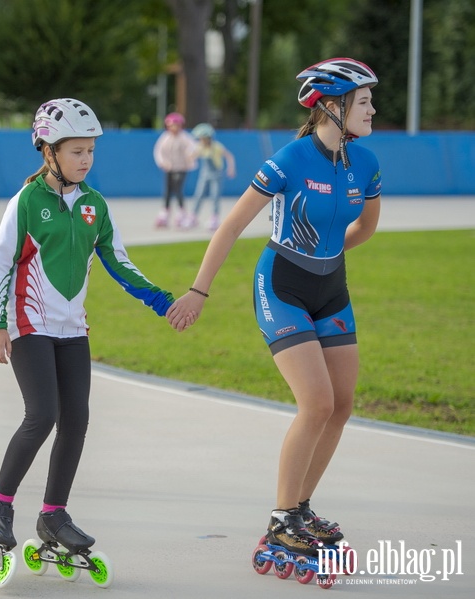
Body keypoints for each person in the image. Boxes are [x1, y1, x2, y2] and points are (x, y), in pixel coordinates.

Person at [167, 58, 381, 559]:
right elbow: (231, 225)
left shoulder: (365, 163)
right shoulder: (289, 159)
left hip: (332, 286)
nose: (373, 108)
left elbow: (365, 229)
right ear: (332, 105)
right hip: (281, 285)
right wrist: (199, 292)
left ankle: (301, 508)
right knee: (317, 403)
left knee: (343, 404)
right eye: (365, 100)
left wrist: (325, 257)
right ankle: (282, 520)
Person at [0, 98, 182, 555]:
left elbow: (119, 263)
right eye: (76, 151)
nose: (85, 160)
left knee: (77, 419)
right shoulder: (26, 201)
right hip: (28, 325)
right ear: (48, 151)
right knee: (42, 415)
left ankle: (53, 514)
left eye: (90, 151)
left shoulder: (95, 206)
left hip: (72, 330)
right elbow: (0, 265)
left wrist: (162, 302)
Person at [182, 123, 236, 231]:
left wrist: (231, 168)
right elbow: (192, 156)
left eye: (202, 138)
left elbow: (229, 156)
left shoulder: (216, 147)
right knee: (199, 194)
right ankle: (193, 216)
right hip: (205, 174)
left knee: (215, 196)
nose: (200, 140)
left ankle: (214, 217)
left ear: (207, 137)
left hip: (217, 174)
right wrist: (189, 158)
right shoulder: (200, 147)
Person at [152, 112, 196, 228]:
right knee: (167, 190)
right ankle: (165, 212)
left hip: (181, 168)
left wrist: (190, 157)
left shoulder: (185, 138)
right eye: (171, 126)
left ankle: (181, 212)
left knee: (178, 190)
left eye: (176, 125)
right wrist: (162, 163)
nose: (173, 128)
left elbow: (193, 149)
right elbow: (158, 151)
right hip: (169, 168)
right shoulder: (165, 137)